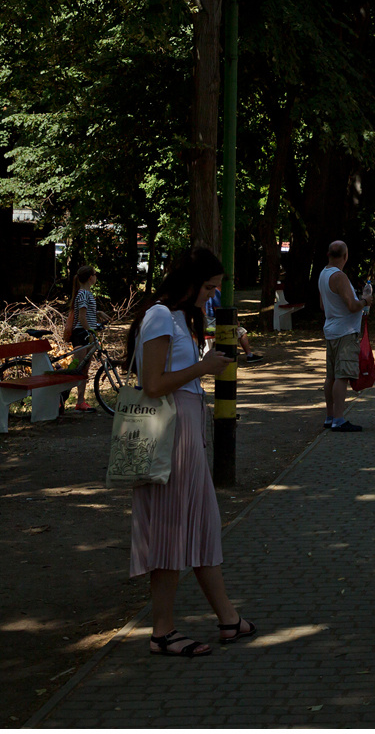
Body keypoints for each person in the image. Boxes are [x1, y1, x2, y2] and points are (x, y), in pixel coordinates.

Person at [127, 246, 255, 657]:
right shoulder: (161, 315)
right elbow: (152, 384)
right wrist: (203, 368)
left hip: (185, 429)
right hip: (169, 431)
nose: (211, 296)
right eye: (208, 288)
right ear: (189, 283)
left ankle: (228, 618)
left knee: (201, 525)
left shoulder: (180, 317)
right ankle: (162, 631)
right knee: (169, 530)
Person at [318, 240, 375, 431]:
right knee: (342, 376)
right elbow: (352, 306)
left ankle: (329, 416)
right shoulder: (339, 276)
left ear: (328, 254)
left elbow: (323, 305)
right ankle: (339, 419)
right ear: (345, 256)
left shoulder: (323, 274)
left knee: (331, 376)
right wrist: (365, 300)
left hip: (331, 329)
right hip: (345, 332)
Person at [68, 265, 99, 410]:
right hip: (81, 334)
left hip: (88, 333)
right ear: (90, 277)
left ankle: (81, 401)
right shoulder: (83, 294)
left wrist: (99, 316)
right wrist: (90, 330)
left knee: (84, 370)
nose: (96, 276)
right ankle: (62, 395)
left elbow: (89, 315)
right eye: (95, 274)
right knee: (78, 369)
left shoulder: (88, 294)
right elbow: (82, 317)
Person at [204, 291, 265, 364]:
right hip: (212, 324)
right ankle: (249, 354)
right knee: (242, 331)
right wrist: (234, 321)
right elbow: (220, 311)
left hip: (206, 323)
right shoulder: (216, 293)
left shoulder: (205, 292)